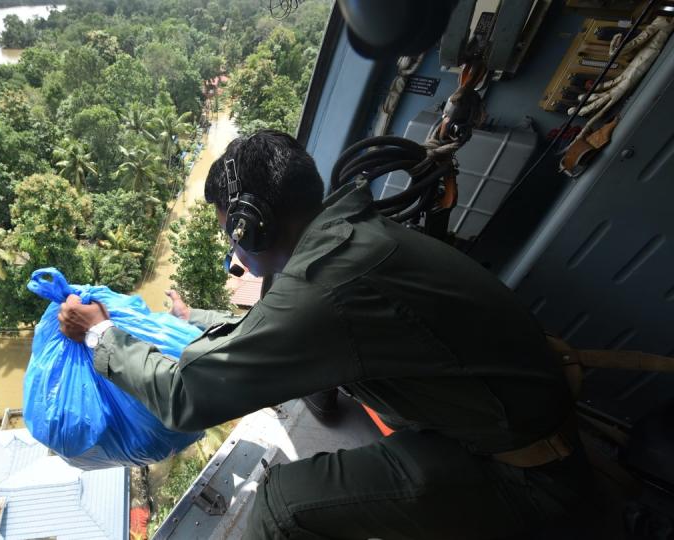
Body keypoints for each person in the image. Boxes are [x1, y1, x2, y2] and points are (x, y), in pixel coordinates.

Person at [58, 130, 594, 539]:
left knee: (281, 504)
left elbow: (184, 397)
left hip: (528, 479)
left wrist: (101, 335)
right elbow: (275, 331)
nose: (235, 255)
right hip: (521, 428)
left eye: (232, 235)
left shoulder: (326, 286)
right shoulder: (352, 238)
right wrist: (189, 318)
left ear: (251, 224)